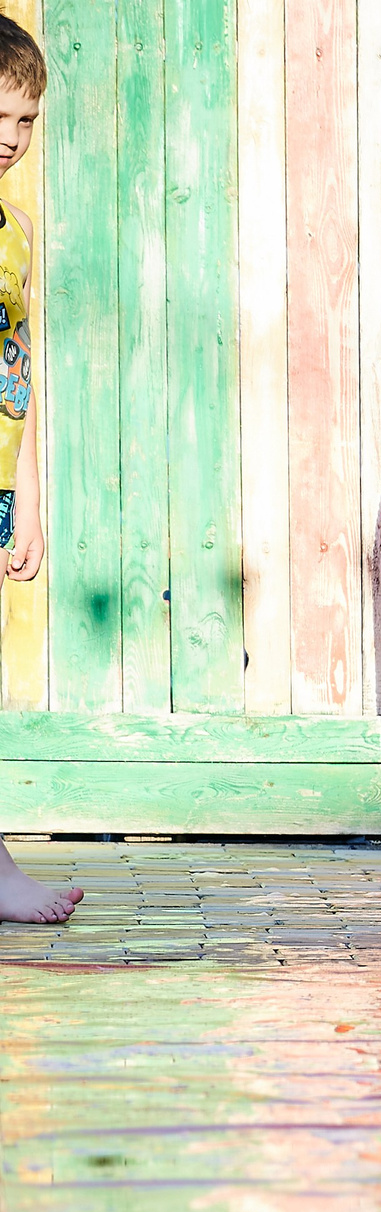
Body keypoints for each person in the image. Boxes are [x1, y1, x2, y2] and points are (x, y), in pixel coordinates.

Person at [0, 18, 70, 928]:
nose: (11, 136)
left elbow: (17, 376)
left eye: (27, 119)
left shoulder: (13, 234)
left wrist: (28, 504)